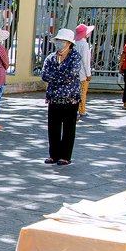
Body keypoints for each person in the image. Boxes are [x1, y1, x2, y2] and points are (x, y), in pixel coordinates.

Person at [40, 28, 83, 166]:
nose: (59, 44)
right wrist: (60, 76)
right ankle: (53, 154)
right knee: (53, 127)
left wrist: (56, 77)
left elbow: (71, 74)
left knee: (69, 128)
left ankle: (65, 156)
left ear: (69, 43)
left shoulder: (75, 57)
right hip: (54, 97)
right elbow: (45, 75)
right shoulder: (50, 57)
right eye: (58, 41)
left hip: (70, 98)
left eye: (62, 41)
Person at [74, 24, 94, 120]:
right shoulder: (84, 45)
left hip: (74, 72)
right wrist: (88, 74)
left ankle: (77, 109)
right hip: (82, 73)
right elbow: (86, 61)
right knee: (82, 92)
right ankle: (81, 111)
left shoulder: (74, 43)